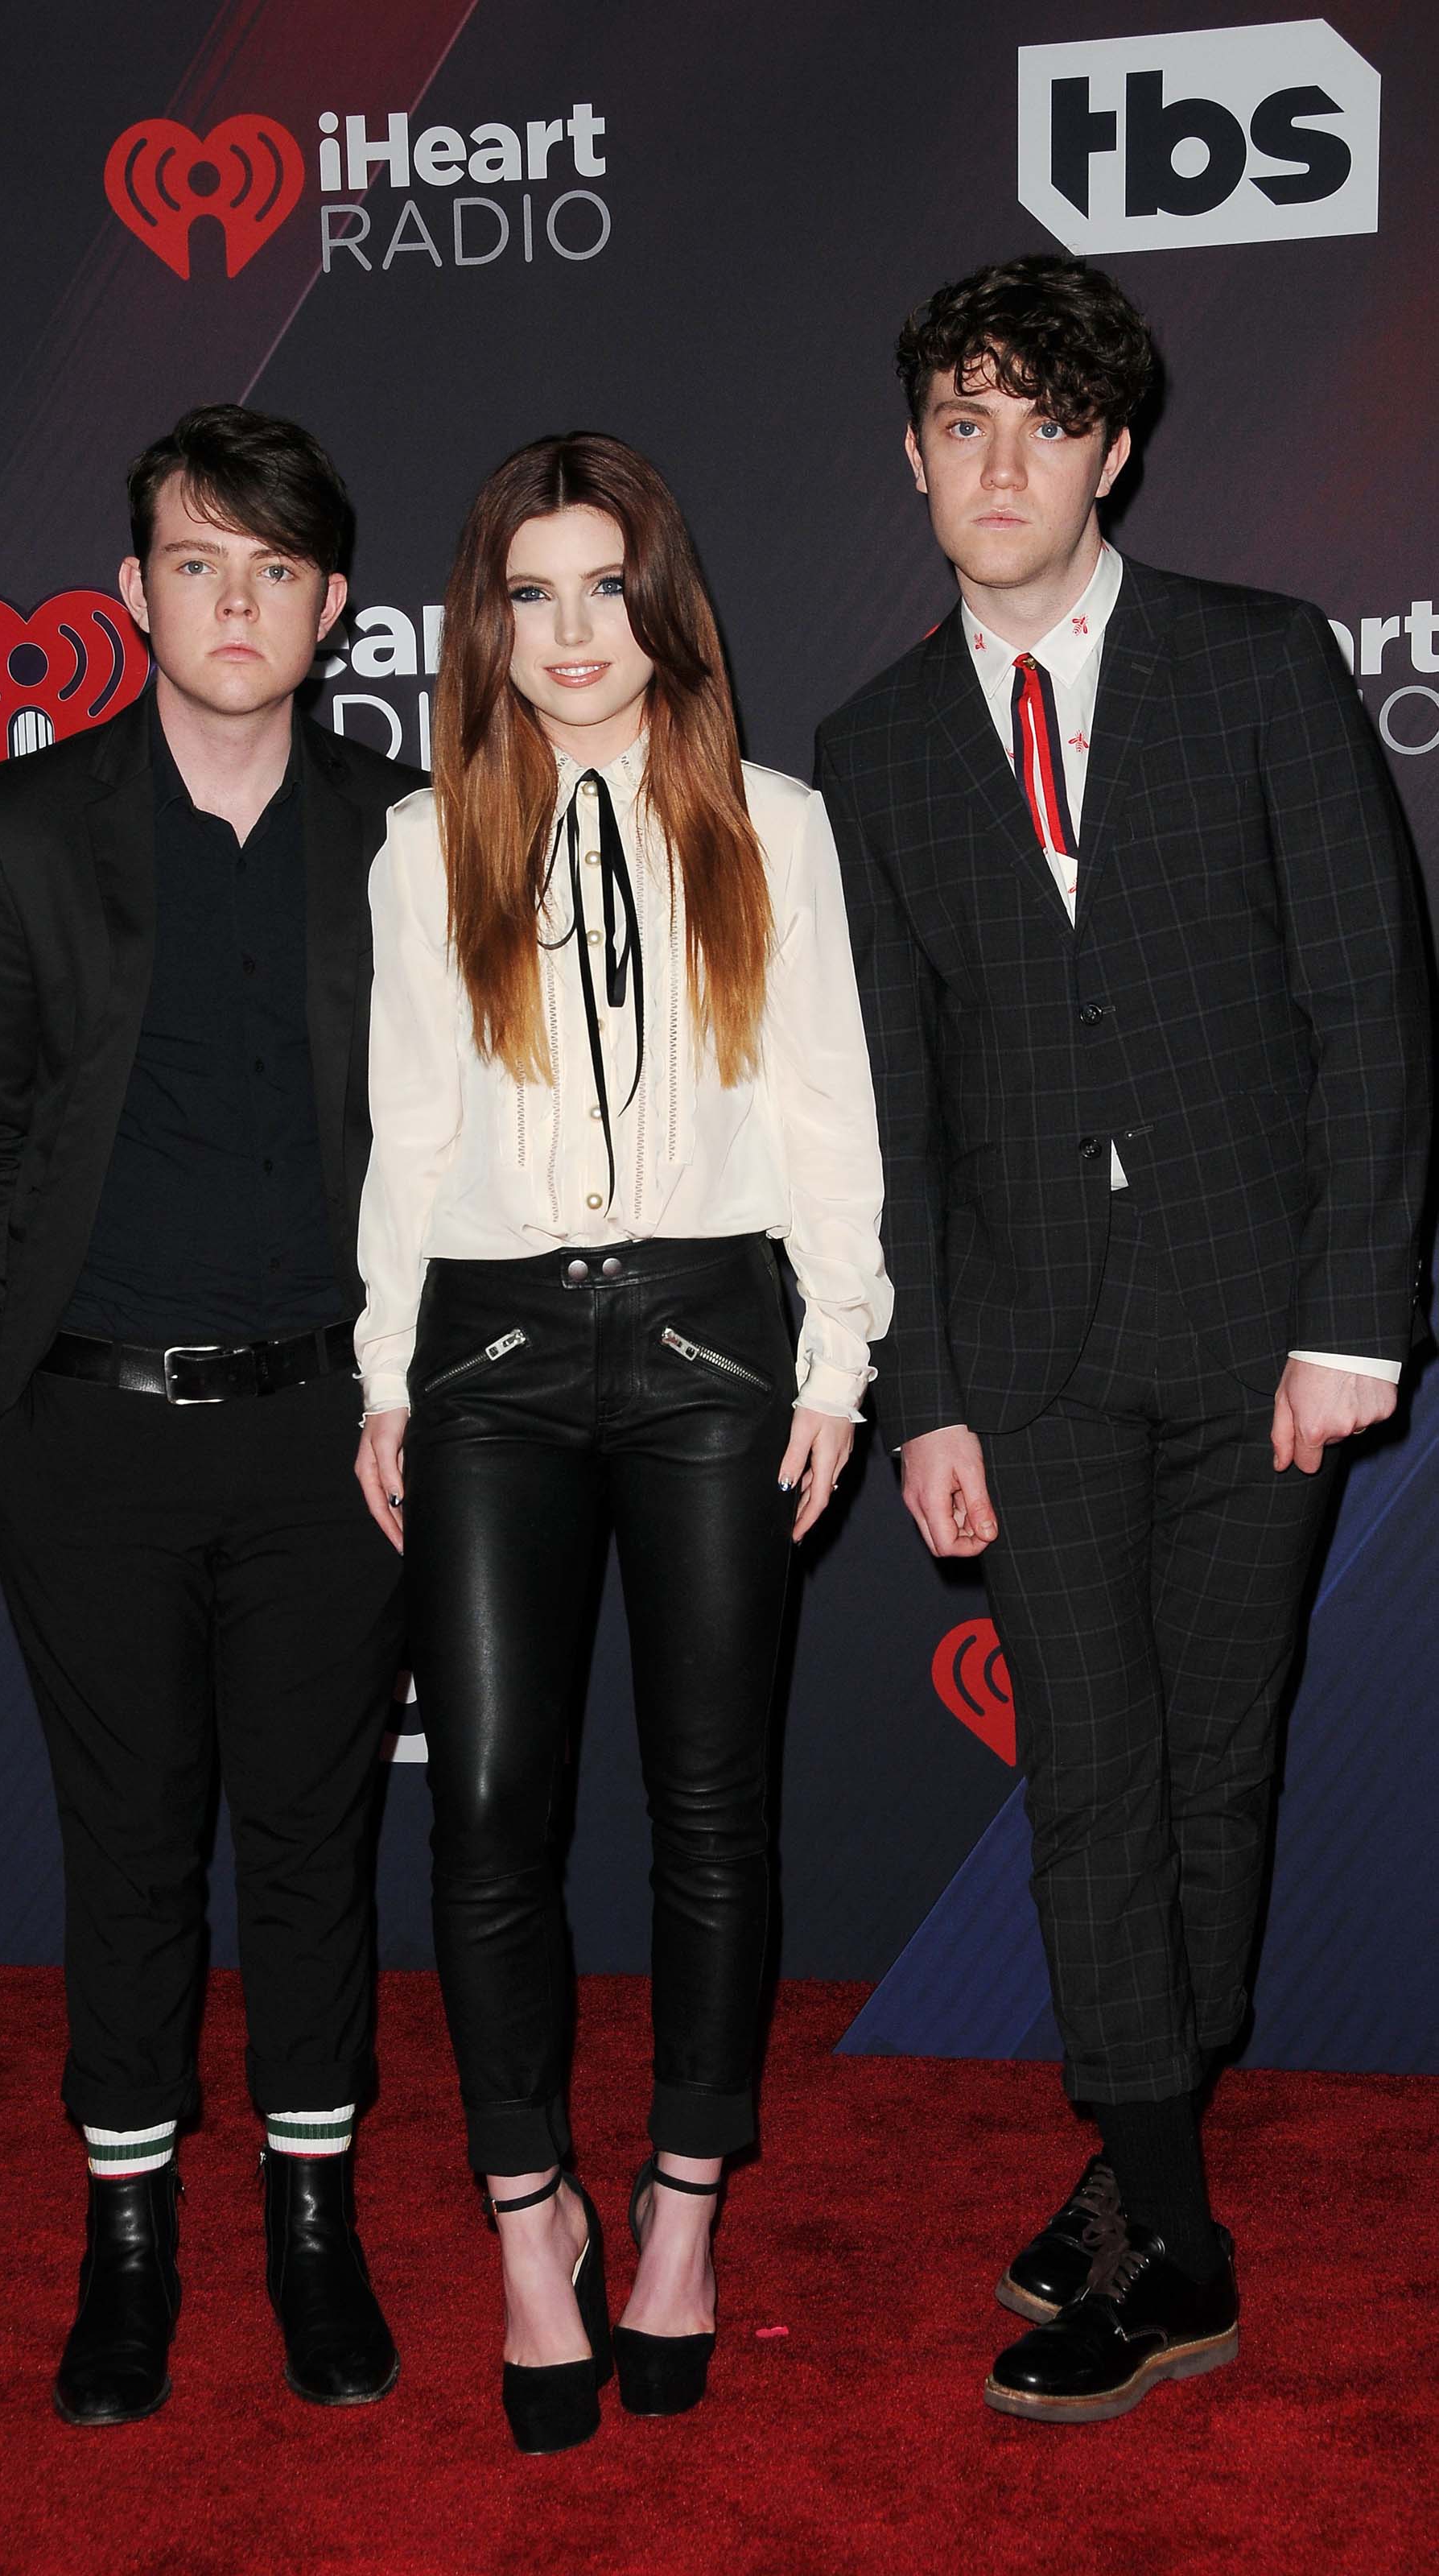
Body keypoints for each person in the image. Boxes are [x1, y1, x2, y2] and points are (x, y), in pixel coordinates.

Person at [818, 255, 1429, 2424]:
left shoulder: (1253, 668)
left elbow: (1367, 1007)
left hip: (1259, 1327)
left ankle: (1138, 2147)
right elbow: (892, 1099)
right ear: (910, 460)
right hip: (1032, 1350)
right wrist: (927, 1393)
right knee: (1088, 1775)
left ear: (1110, 452)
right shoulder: (870, 750)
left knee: (1216, 1774)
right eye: (956, 427)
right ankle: (1170, 2244)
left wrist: (1351, 1315)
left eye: (1039, 426)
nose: (998, 466)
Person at [353, 432, 892, 2452]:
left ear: (662, 606)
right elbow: (408, 1131)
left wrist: (835, 1363)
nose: (569, 633)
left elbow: (828, 1109)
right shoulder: (428, 842)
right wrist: (382, 1375)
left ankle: (677, 2207)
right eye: (529, 592)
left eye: (604, 588)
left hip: (707, 1345)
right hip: (485, 1346)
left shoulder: (776, 825)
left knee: (706, 1804)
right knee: (486, 1801)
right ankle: (523, 2219)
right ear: (486, 621)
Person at [0, 404, 420, 2425]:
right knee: (124, 1845)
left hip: (330, 1439)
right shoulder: (20, 823)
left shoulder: (406, 826)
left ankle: (318, 2227)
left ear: (333, 606)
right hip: (86, 1437)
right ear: (131, 594)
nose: (236, 601)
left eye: (275, 568)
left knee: (311, 1843)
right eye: (197, 563)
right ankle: (127, 2247)